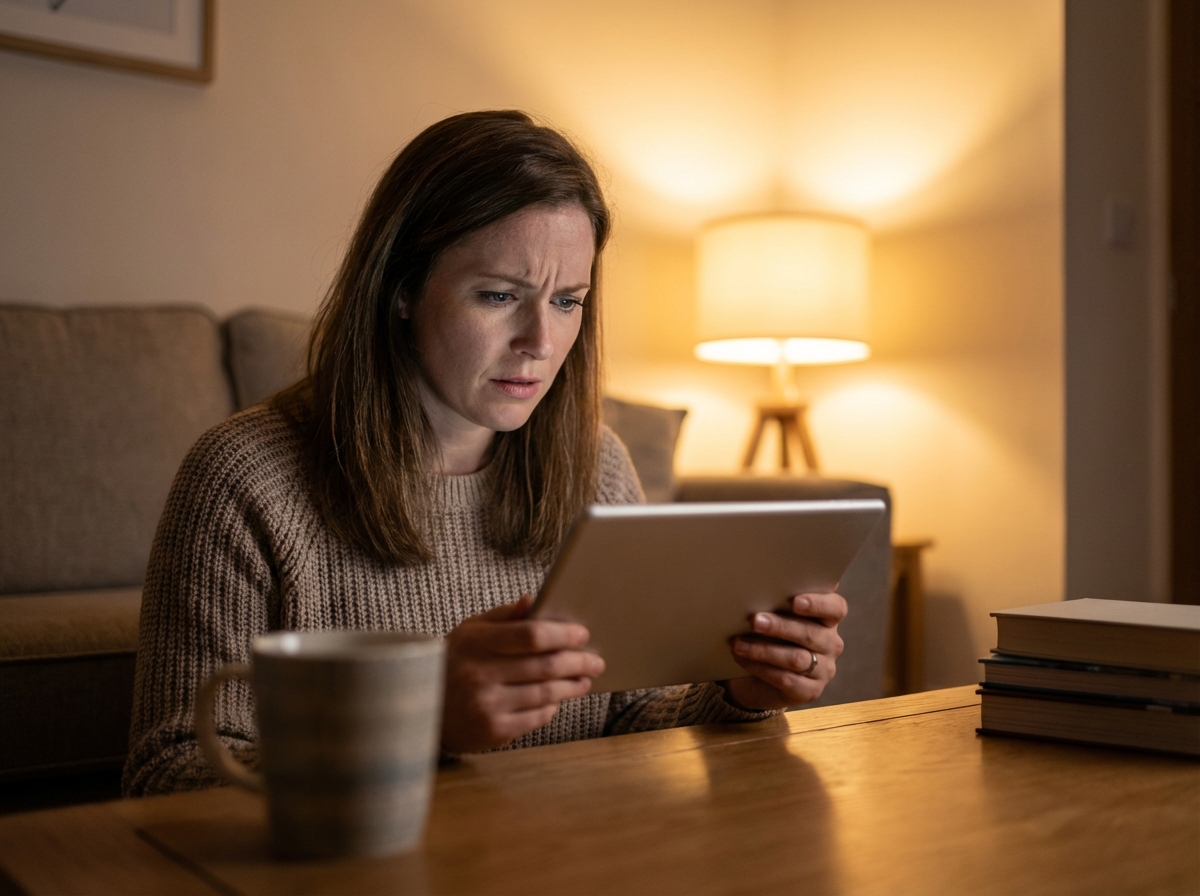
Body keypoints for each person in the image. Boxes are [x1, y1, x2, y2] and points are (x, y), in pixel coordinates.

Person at [122, 110, 847, 796]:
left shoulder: (597, 465)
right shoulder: (245, 477)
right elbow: (169, 773)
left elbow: (628, 719)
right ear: (402, 289)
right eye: (501, 296)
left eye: (568, 301)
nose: (540, 340)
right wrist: (417, 722)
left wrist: (740, 693)